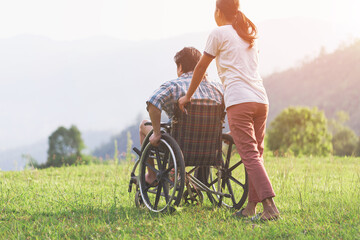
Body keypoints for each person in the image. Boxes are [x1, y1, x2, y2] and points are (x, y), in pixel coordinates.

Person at [178, 0, 279, 221]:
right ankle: (251, 208)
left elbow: (201, 67)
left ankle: (270, 208)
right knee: (256, 156)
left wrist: (188, 96)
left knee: (250, 156)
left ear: (218, 11)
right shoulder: (249, 33)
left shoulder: (218, 33)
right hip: (261, 100)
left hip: (239, 101)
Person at [139, 47, 223, 186]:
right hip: (209, 145)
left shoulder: (173, 85)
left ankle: (151, 176)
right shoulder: (218, 88)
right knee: (204, 128)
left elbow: (153, 102)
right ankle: (201, 182)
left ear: (180, 67)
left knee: (143, 124)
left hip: (179, 145)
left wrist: (157, 133)